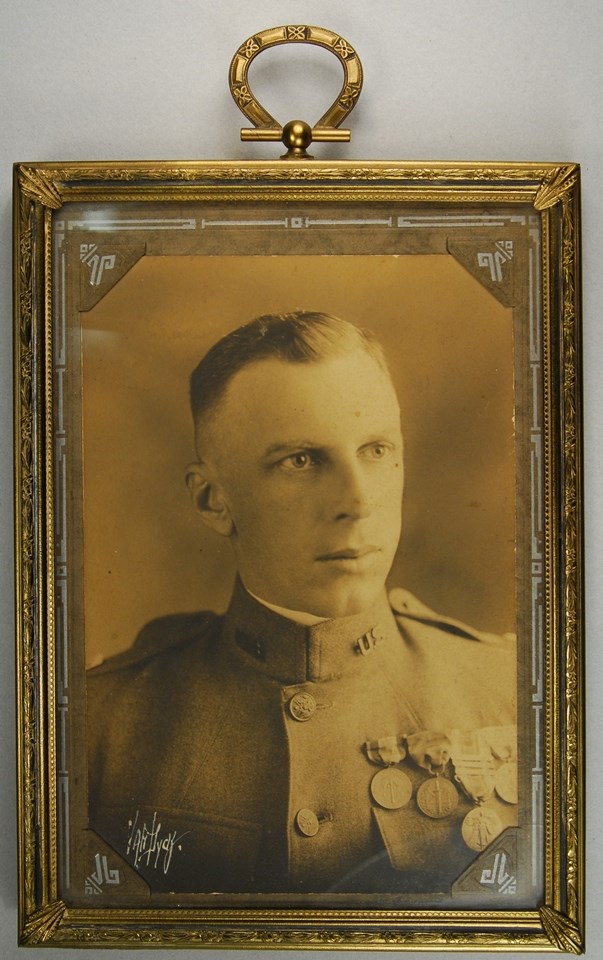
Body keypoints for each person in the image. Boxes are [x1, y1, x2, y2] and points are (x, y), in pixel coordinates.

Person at [87, 311, 517, 896]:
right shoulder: (98, 728)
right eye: (302, 460)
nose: (358, 501)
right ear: (213, 500)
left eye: (376, 450)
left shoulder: (516, 694)